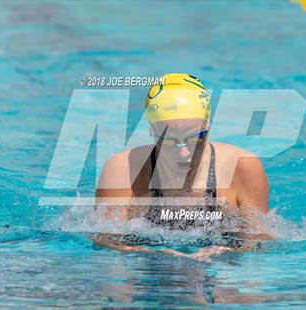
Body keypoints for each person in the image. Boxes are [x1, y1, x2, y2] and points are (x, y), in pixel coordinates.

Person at [94, 73, 270, 260]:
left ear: (207, 128)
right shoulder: (124, 169)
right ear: (152, 133)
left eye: (195, 138)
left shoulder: (242, 167)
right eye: (169, 141)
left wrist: (222, 252)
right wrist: (158, 255)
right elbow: (105, 241)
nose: (184, 153)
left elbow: (259, 242)